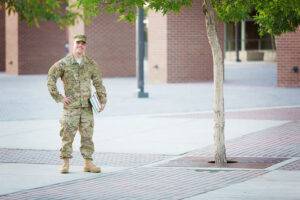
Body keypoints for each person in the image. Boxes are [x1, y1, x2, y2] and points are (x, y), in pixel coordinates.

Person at [47, 34, 107, 174]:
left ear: (85, 46)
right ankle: (65, 163)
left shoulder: (91, 64)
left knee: (87, 136)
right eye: (78, 43)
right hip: (71, 107)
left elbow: (98, 83)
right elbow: (51, 78)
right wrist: (59, 97)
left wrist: (102, 100)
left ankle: (88, 163)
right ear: (73, 44)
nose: (80, 45)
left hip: (87, 107)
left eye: (83, 43)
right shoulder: (64, 63)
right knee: (67, 135)